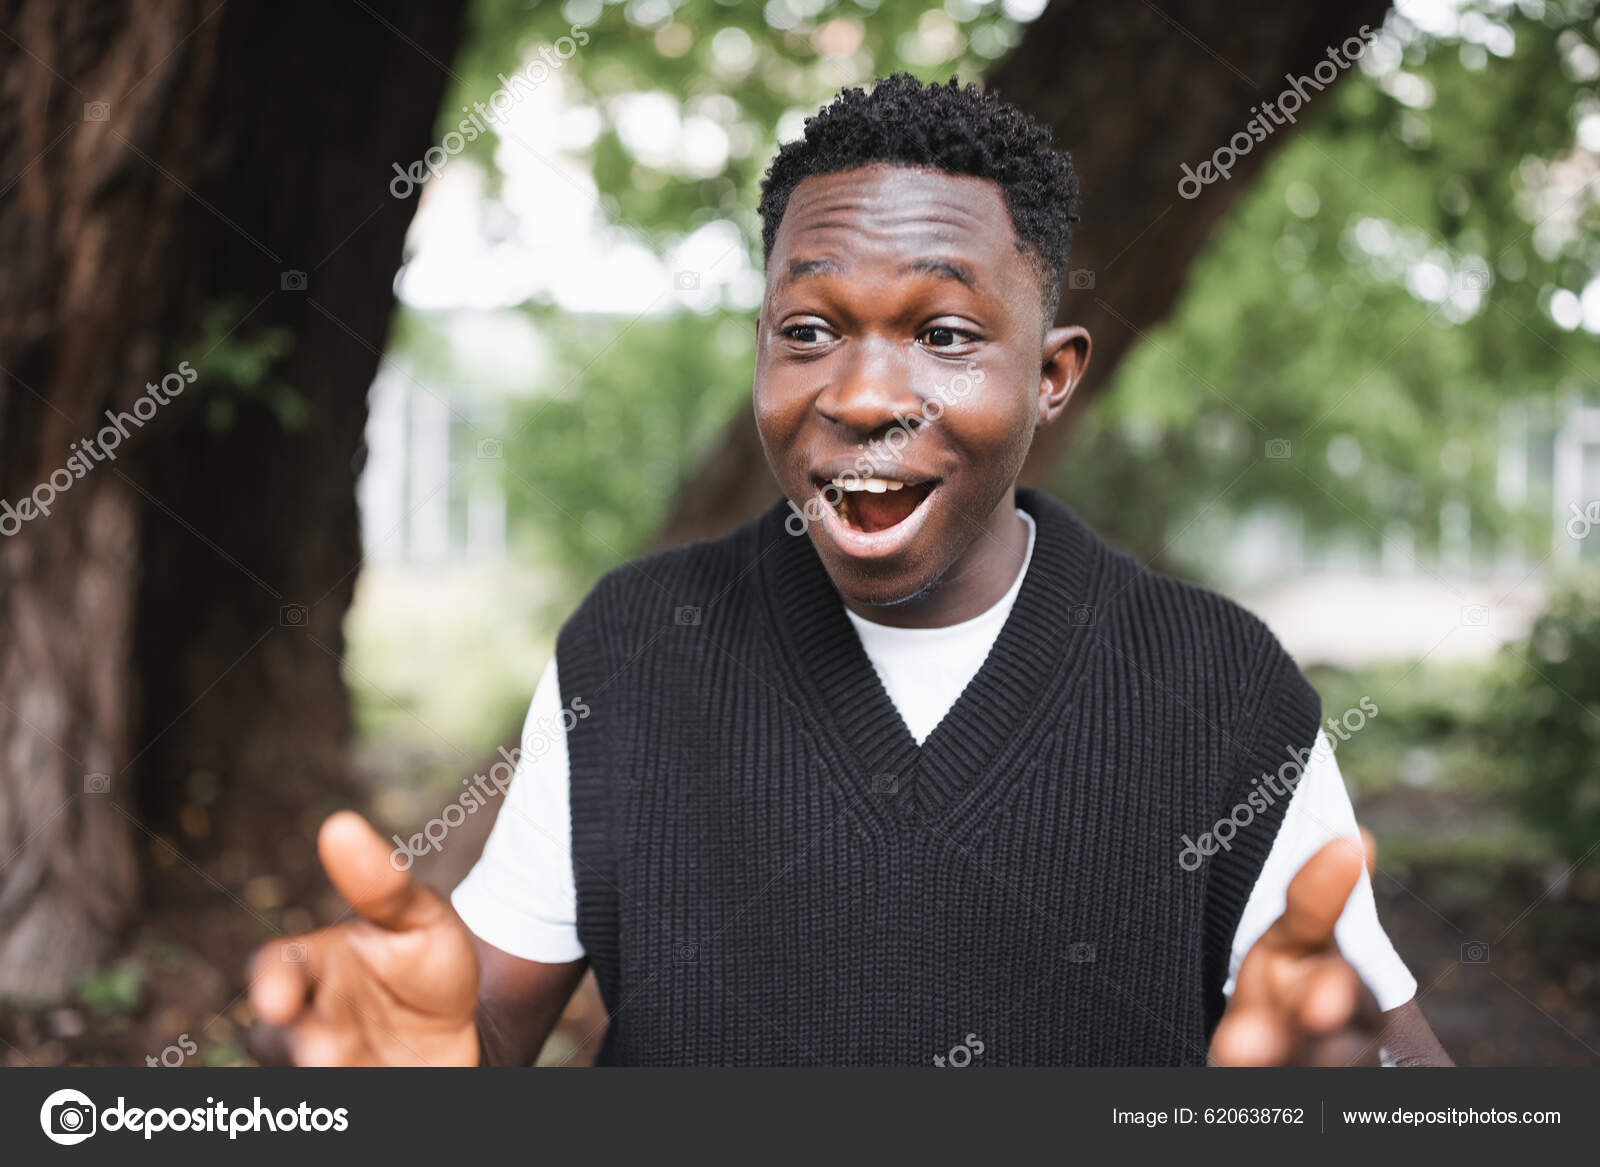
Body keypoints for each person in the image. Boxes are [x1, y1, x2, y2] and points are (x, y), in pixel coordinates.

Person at [250, 75, 1451, 1068]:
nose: (863, 396)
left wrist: (1345, 1086)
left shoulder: (1214, 686)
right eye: (808, 331)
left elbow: (1382, 1053)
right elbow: (481, 1030)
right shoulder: (635, 646)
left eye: (943, 334)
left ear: (1052, 375)